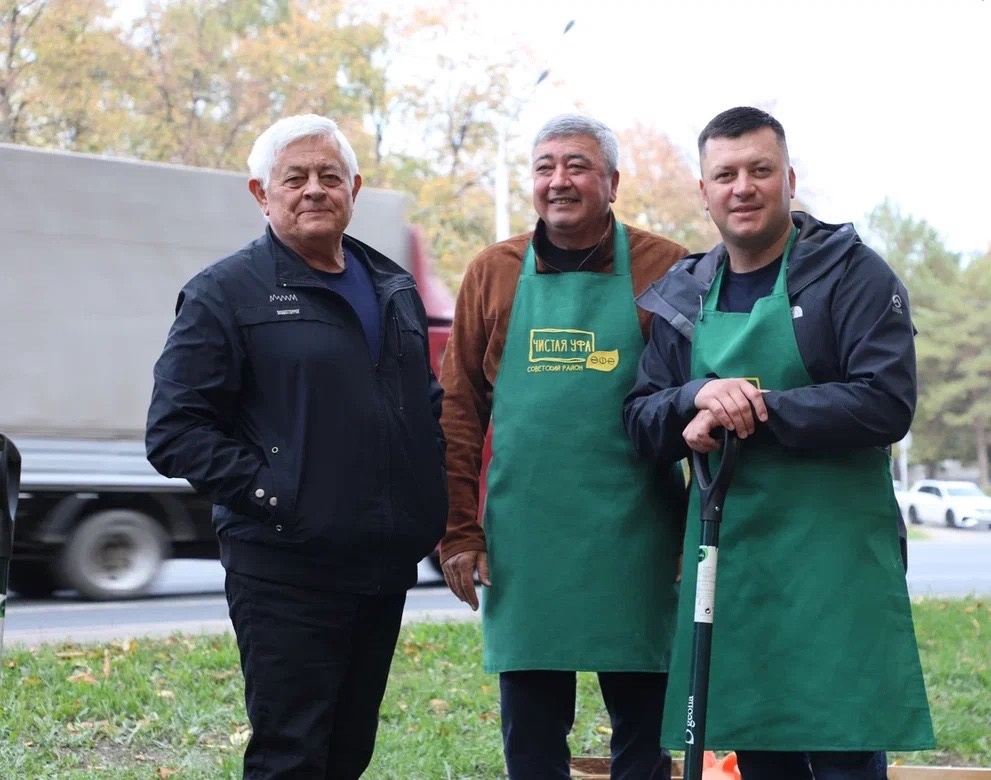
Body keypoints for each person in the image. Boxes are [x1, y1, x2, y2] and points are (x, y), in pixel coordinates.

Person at [622, 106, 935, 780]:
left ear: (788, 178)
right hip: (735, 564)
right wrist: (692, 398)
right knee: (760, 752)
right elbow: (641, 421)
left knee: (845, 746)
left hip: (835, 562)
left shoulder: (851, 275)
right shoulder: (681, 295)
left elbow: (886, 401)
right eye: (725, 174)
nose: (744, 187)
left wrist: (756, 410)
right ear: (703, 192)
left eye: (760, 170)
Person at [145, 114, 447, 780]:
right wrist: (280, 497)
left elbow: (423, 409)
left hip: (379, 566)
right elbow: (174, 430)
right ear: (261, 193)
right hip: (285, 568)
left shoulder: (392, 287)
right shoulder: (225, 294)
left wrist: (434, 516)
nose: (314, 189)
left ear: (355, 188)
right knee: (292, 754)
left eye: (329, 176)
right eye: (295, 177)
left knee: (348, 751)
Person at [437, 113, 689, 780]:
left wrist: (693, 537)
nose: (559, 181)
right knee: (532, 735)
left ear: (611, 181)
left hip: (640, 537)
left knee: (645, 730)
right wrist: (459, 531)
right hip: (526, 542)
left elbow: (699, 407)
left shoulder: (669, 269)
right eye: (545, 166)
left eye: (577, 166)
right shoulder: (491, 273)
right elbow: (458, 412)